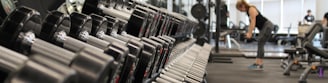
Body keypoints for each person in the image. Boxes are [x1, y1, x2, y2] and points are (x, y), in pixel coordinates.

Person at [236, 0, 274, 70]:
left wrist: (250, 33)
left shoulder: (251, 9)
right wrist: (249, 32)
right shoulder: (248, 11)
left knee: (260, 42)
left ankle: (258, 63)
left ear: (243, 5)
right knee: (260, 43)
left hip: (267, 26)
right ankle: (258, 62)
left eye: (240, 9)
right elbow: (252, 24)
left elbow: (253, 22)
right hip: (264, 27)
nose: (240, 11)